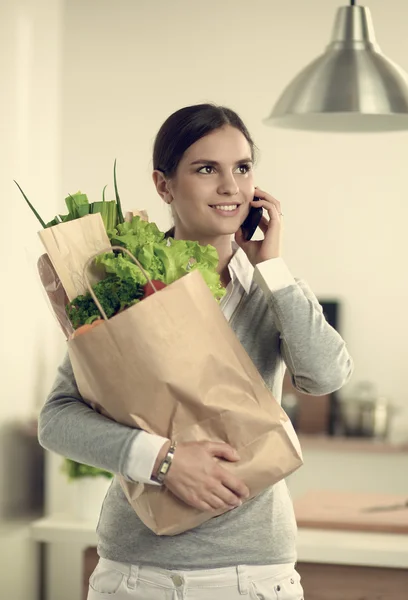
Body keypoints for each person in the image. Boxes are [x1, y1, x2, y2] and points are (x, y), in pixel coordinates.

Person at [39, 103, 353, 600]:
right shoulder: (118, 287)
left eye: (242, 168)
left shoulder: (274, 289)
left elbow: (325, 375)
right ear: (163, 185)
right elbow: (57, 420)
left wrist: (272, 269)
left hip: (252, 574)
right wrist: (162, 459)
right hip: (136, 572)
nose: (230, 186)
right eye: (207, 169)